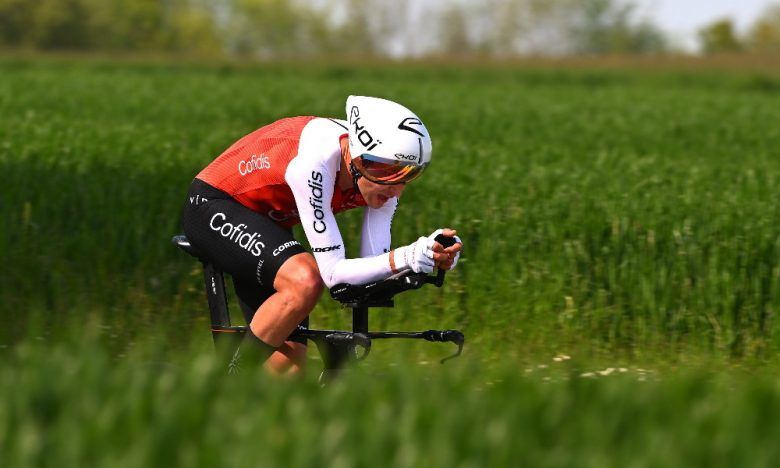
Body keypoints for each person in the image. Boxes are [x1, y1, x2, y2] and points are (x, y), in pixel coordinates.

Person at [181, 96, 463, 375]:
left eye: (409, 175)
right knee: (304, 281)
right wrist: (407, 255)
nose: (397, 189)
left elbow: (373, 267)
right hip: (213, 205)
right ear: (358, 158)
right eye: (389, 172)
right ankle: (227, 386)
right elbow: (333, 275)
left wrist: (428, 256)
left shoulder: (377, 175)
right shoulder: (314, 163)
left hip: (269, 223)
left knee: (287, 373)